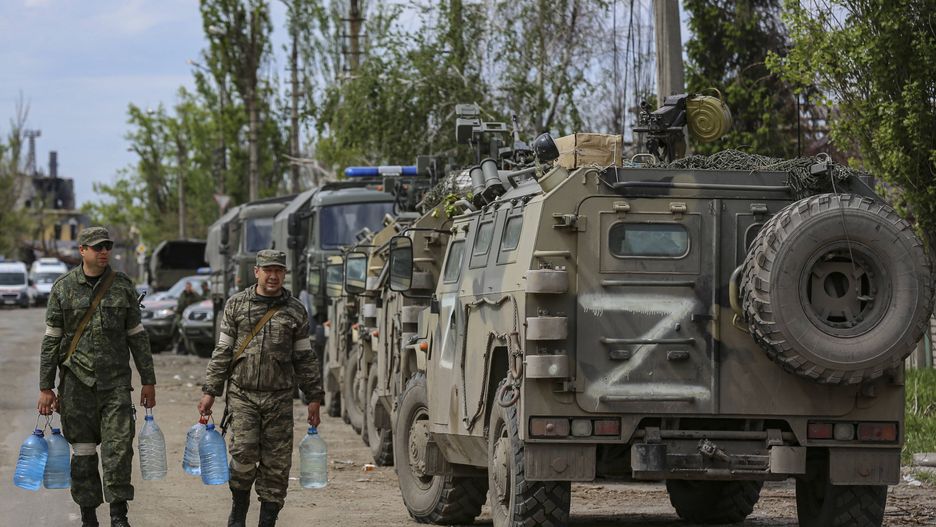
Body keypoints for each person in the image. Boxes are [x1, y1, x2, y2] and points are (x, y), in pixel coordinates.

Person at [37, 226, 156, 527]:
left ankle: (119, 516)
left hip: (115, 384)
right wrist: (46, 387)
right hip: (76, 386)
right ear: (82, 250)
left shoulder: (122, 286)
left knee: (118, 451)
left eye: (107, 246)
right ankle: (88, 516)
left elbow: (137, 337)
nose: (104, 252)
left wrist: (148, 380)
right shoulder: (63, 288)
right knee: (84, 454)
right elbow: (51, 340)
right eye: (97, 247)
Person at [198, 249, 323, 527]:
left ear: (285, 274)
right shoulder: (236, 306)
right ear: (256, 272)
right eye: (268, 270)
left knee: (276, 467)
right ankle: (238, 512)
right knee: (243, 456)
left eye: (279, 270)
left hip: (279, 399)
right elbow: (223, 352)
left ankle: (267, 522)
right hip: (242, 396)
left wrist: (314, 396)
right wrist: (210, 391)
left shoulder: (295, 310)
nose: (273, 276)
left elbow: (304, 357)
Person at [174, 281, 203, 354]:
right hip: (181, 316)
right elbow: (180, 306)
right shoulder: (182, 295)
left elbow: (199, 301)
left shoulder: (194, 295)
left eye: (189, 287)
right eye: (187, 287)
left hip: (189, 316)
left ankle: (186, 349)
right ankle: (181, 350)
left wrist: (194, 293)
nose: (188, 288)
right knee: (182, 333)